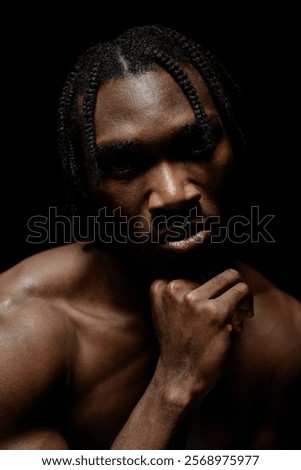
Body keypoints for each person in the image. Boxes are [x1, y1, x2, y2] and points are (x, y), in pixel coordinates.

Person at [0, 24, 300, 451]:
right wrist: (174, 387)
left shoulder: (285, 339)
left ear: (232, 141)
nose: (175, 194)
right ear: (84, 184)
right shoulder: (17, 334)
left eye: (195, 145)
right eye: (123, 165)